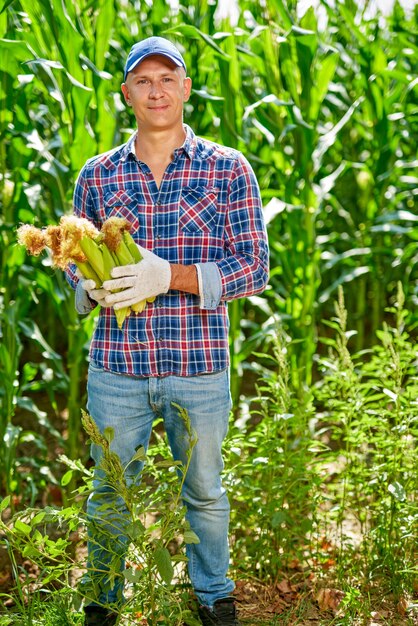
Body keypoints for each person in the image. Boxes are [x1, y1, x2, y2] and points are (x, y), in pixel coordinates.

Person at [66, 36, 269, 626]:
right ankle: (104, 599)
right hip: (117, 367)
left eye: (168, 79)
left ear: (185, 88)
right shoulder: (98, 174)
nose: (156, 91)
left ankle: (214, 596)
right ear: (126, 93)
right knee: (109, 495)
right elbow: (74, 264)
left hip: (198, 364)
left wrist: (168, 277)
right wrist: (89, 291)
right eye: (143, 81)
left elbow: (253, 267)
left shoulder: (228, 167)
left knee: (204, 492)